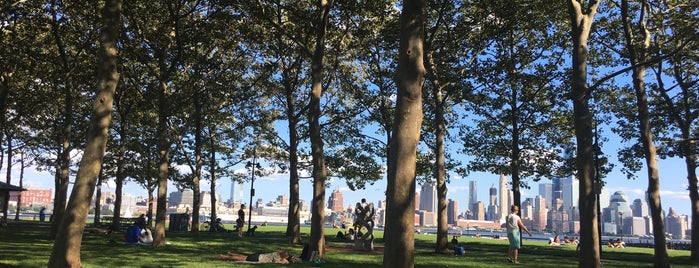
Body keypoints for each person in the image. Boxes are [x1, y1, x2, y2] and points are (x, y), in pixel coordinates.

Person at [219, 250, 295, 263]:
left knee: (243, 256)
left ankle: (231, 254)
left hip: (259, 255)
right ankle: (225, 257)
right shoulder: (280, 258)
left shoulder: (277, 253)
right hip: (258, 258)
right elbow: (277, 262)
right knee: (243, 258)